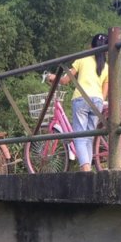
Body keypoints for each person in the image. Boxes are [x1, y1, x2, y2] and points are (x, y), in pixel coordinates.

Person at [47, 32, 108, 172]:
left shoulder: (83, 59)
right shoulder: (106, 66)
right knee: (89, 137)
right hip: (97, 101)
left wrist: (52, 77)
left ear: (90, 46)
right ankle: (87, 168)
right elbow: (106, 87)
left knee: (79, 134)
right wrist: (99, 100)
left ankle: (86, 169)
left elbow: (65, 80)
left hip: (81, 99)